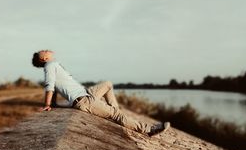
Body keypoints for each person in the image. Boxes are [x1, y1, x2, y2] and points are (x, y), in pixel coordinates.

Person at [31, 50, 170, 137]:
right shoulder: (50, 66)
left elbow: (54, 86)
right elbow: (49, 84)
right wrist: (48, 104)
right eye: (42, 51)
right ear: (43, 59)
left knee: (108, 84)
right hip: (84, 101)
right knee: (117, 115)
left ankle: (115, 111)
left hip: (86, 94)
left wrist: (54, 103)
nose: (45, 50)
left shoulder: (53, 65)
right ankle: (148, 130)